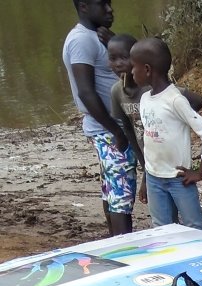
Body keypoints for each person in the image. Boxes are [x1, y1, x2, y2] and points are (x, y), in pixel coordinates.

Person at [63, 0, 136, 236]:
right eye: (102, 4)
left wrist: (114, 41)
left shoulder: (97, 37)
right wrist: (116, 130)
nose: (109, 9)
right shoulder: (81, 40)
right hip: (108, 130)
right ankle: (123, 247)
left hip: (111, 128)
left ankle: (114, 243)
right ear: (83, 6)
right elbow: (85, 91)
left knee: (113, 189)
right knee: (120, 196)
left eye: (110, 3)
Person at [108, 34, 202, 208]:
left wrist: (177, 121)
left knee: (184, 211)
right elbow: (129, 131)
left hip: (171, 164)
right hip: (152, 163)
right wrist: (146, 172)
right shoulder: (117, 92)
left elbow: (198, 101)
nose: (119, 64)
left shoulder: (155, 89)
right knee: (162, 216)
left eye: (126, 58)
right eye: (113, 58)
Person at [130, 38, 202, 231]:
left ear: (147, 69)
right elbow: (150, 143)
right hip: (154, 178)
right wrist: (146, 178)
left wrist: (200, 172)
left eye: (133, 67)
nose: (131, 72)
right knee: (162, 230)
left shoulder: (175, 100)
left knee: (194, 229)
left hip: (179, 179)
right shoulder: (145, 99)